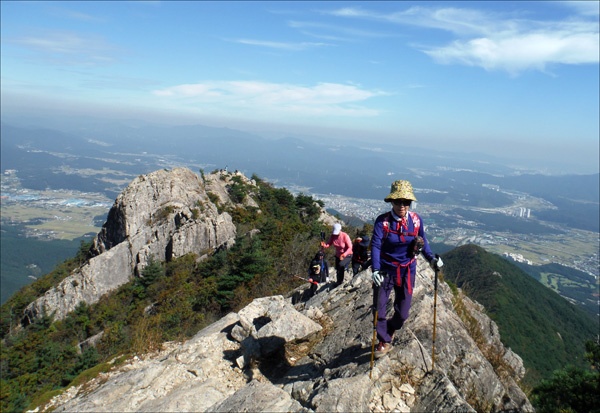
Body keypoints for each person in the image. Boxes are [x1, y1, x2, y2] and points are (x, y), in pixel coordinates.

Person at [370, 180, 443, 359]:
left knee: (403, 313)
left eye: (406, 202)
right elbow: (376, 246)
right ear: (391, 202)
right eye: (398, 201)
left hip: (407, 269)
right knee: (379, 308)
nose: (402, 205)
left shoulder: (416, 221)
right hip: (386, 270)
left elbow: (423, 241)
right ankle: (383, 339)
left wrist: (431, 259)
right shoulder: (383, 222)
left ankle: (391, 328)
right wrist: (376, 269)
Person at [321, 223, 353, 287]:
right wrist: (324, 245)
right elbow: (328, 244)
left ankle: (340, 281)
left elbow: (350, 247)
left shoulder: (345, 236)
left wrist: (344, 254)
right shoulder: (333, 236)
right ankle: (339, 281)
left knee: (341, 265)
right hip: (338, 255)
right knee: (337, 268)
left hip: (347, 254)